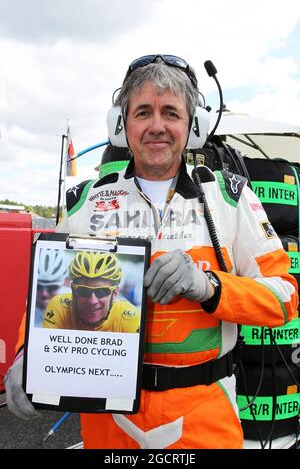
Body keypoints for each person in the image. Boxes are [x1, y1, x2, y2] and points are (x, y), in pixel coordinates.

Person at [4, 54, 298, 448]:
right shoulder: (85, 203)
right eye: (143, 112)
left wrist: (210, 286)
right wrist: (28, 353)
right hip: (109, 421)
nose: (157, 126)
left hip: (204, 415)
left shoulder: (230, 197)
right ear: (122, 124)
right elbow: (46, 297)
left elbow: (284, 298)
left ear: (192, 126)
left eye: (171, 113)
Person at [43, 250, 140, 332]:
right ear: (73, 291)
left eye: (101, 292)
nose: (92, 301)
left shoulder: (130, 318)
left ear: (114, 294)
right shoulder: (59, 307)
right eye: (83, 291)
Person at [35, 249, 69, 327]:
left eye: (52, 288)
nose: (44, 294)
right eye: (38, 287)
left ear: (64, 283)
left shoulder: (75, 303)